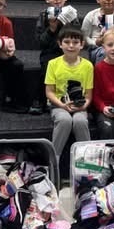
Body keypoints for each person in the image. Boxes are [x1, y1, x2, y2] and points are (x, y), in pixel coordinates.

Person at [44, 25, 94, 158]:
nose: (71, 46)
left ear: (82, 44)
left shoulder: (88, 66)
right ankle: (54, 158)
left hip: (79, 105)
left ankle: (87, 158)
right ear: (60, 44)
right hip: (58, 105)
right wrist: (62, 105)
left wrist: (84, 106)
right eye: (66, 42)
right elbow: (49, 92)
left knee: (80, 121)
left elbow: (88, 94)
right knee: (64, 119)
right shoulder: (53, 64)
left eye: (75, 42)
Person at [32, 0, 80, 115]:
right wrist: (51, 28)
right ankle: (40, 99)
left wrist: (66, 25)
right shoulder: (43, 16)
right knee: (47, 68)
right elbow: (40, 42)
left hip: (68, 51)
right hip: (50, 51)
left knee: (73, 67)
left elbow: (77, 36)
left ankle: (69, 97)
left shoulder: (72, 14)